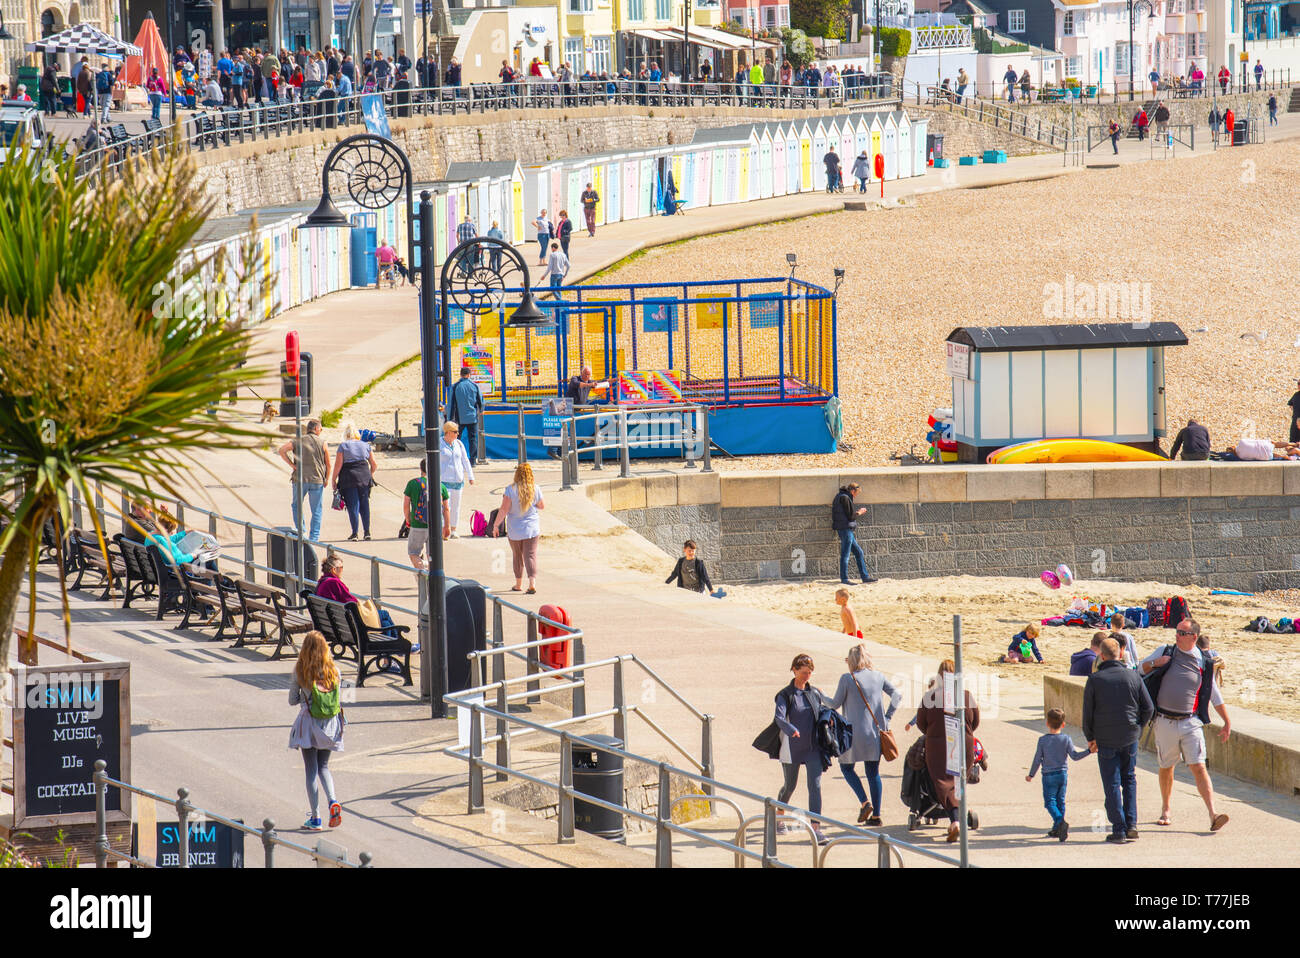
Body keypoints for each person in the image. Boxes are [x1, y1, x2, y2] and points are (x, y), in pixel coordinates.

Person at [1140, 619, 1231, 832]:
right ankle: (1166, 809)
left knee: (1198, 766)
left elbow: (1214, 695)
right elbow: (1139, 669)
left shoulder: (1204, 662)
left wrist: (1227, 721)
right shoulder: (1166, 651)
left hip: (1191, 722)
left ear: (1193, 637)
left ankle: (1213, 814)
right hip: (1164, 721)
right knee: (1166, 767)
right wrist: (1155, 663)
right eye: (1177, 631)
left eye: (1182, 632)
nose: (1177, 635)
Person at [1083, 637, 1154, 843]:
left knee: (1112, 783)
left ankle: (1119, 829)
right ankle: (1131, 824)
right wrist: (1138, 728)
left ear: (1101, 656)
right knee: (1129, 779)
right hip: (1130, 736)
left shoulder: (1095, 679)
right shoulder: (1133, 676)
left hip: (1106, 738)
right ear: (1121, 654)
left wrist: (1090, 738)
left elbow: (1087, 713)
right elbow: (1148, 708)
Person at [831, 643, 900, 826]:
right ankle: (876, 815)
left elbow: (834, 704)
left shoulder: (847, 678)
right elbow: (897, 695)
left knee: (846, 768)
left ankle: (864, 802)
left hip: (852, 735)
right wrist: (887, 717)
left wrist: (819, 695)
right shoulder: (878, 676)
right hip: (875, 734)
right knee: (873, 773)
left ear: (851, 661)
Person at [914, 659, 979, 843]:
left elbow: (921, 723)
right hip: (963, 742)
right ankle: (957, 818)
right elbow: (975, 722)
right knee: (957, 781)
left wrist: (933, 733)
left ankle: (955, 821)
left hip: (938, 746)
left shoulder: (930, 697)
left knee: (943, 781)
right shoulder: (966, 696)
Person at [769, 654, 830, 843]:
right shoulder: (785, 695)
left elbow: (825, 711)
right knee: (790, 785)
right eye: (803, 672)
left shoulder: (815, 693)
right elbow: (779, 718)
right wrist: (791, 729)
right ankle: (779, 816)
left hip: (813, 747)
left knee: (815, 786)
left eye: (809, 673)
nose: (806, 676)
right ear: (794, 670)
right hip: (791, 747)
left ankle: (816, 829)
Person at [289, 631, 345, 831]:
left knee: (311, 769)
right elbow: (339, 698)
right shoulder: (335, 671)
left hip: (309, 726)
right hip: (330, 725)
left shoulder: (300, 671)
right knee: (324, 766)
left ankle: (315, 817)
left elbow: (292, 700)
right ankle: (333, 801)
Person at [1026, 707, 1091, 841]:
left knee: (1050, 803)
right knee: (1060, 801)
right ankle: (1057, 829)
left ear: (1047, 723)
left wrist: (1031, 775)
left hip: (1048, 776)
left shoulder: (1043, 740)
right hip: (1062, 774)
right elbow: (1075, 756)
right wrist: (1089, 751)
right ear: (1063, 724)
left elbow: (1037, 759)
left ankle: (1060, 822)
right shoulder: (1066, 739)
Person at [492, 462, 545, 593]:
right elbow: (542, 505)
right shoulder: (535, 488)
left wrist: (495, 525)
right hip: (531, 527)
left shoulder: (510, 490)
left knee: (517, 555)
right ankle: (532, 583)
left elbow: (504, 509)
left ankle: (518, 584)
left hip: (515, 528)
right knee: (530, 555)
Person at [278, 418, 330, 543]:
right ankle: (314, 537)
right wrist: (327, 479)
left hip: (299, 478)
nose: (321, 430)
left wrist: (292, 465)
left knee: (296, 505)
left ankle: (302, 532)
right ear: (316, 429)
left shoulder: (298, 441)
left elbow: (282, 450)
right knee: (316, 509)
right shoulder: (323, 442)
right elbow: (328, 464)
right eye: (320, 428)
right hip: (317, 479)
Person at [331, 422, 377, 541]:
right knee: (364, 505)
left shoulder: (343, 446)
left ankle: (355, 533)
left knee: (353, 506)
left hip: (348, 477)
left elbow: (338, 465)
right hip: (364, 476)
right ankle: (367, 532)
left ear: (345, 435)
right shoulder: (365, 445)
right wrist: (370, 475)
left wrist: (333, 479)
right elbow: (374, 464)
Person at [403, 458, 450, 569]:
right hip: (435, 526)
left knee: (413, 553)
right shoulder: (440, 486)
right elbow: (446, 508)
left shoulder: (412, 483)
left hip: (418, 524)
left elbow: (406, 505)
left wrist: (408, 519)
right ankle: (430, 577)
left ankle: (422, 567)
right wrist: (447, 526)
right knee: (433, 556)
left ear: (421, 468)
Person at [831, 482, 875, 585]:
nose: (856, 496)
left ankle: (865, 577)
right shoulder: (845, 498)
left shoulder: (840, 496)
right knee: (845, 554)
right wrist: (860, 512)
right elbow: (851, 516)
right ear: (852, 491)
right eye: (856, 493)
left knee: (858, 552)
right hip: (845, 529)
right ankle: (844, 579)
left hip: (843, 528)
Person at [439, 421, 474, 538]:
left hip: (458, 480)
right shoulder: (439, 444)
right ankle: (444, 529)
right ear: (448, 432)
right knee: (445, 507)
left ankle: (453, 529)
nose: (457, 434)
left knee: (456, 506)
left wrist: (470, 476)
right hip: (444, 480)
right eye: (455, 432)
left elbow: (465, 459)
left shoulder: (458, 443)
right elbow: (431, 461)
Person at [447, 366, 483, 461]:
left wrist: (450, 419)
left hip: (459, 419)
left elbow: (451, 404)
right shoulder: (475, 386)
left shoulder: (455, 386)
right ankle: (473, 460)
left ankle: (456, 458)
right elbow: (480, 401)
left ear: (461, 374)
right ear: (469, 375)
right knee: (473, 439)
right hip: (472, 417)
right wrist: (481, 410)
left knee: (456, 439)